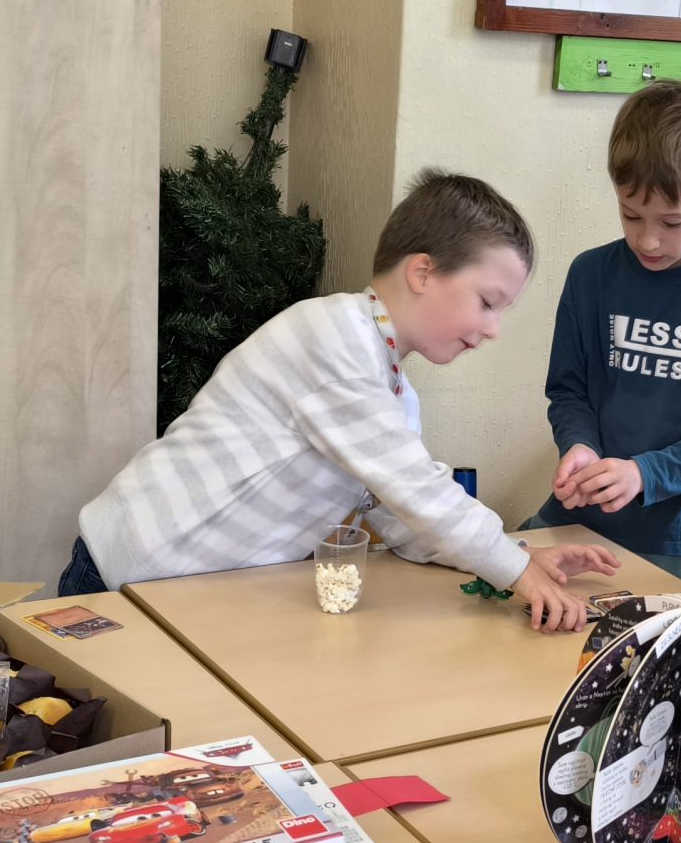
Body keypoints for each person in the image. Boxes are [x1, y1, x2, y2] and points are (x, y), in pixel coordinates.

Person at [69, 170, 617, 632]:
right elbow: (419, 490)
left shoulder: (392, 388)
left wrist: (519, 557)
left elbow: (404, 517)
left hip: (188, 593)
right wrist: (517, 573)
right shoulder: (333, 338)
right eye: (488, 302)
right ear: (423, 272)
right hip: (133, 573)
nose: (494, 329)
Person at [533, 83, 681, 593]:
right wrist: (578, 445)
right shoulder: (590, 275)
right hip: (581, 514)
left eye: (672, 221)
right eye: (630, 215)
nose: (648, 239)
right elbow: (568, 390)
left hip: (675, 534)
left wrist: (643, 474)